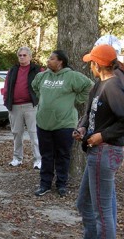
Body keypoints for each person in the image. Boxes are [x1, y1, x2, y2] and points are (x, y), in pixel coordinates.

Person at [74, 44, 124, 239]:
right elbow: (91, 114)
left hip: (105, 152)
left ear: (98, 65)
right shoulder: (100, 85)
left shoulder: (113, 86)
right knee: (84, 202)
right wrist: (83, 128)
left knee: (103, 211)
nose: (89, 65)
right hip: (95, 151)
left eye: (91, 62)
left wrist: (104, 135)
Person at [31, 50, 92, 197]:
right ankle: (44, 184)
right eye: (49, 58)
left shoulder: (71, 76)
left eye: (52, 59)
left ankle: (61, 185)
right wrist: (45, 99)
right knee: (46, 155)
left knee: (63, 155)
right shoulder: (42, 76)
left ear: (60, 62)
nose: (48, 61)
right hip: (44, 123)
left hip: (64, 124)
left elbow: (89, 85)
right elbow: (34, 87)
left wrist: (77, 100)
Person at [3, 47, 42, 169]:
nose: (22, 57)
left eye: (25, 55)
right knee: (16, 134)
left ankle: (38, 160)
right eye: (20, 55)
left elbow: (42, 86)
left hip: (31, 106)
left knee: (34, 134)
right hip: (14, 106)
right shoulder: (13, 70)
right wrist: (6, 100)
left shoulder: (37, 70)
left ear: (30, 57)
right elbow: (6, 86)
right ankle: (17, 158)